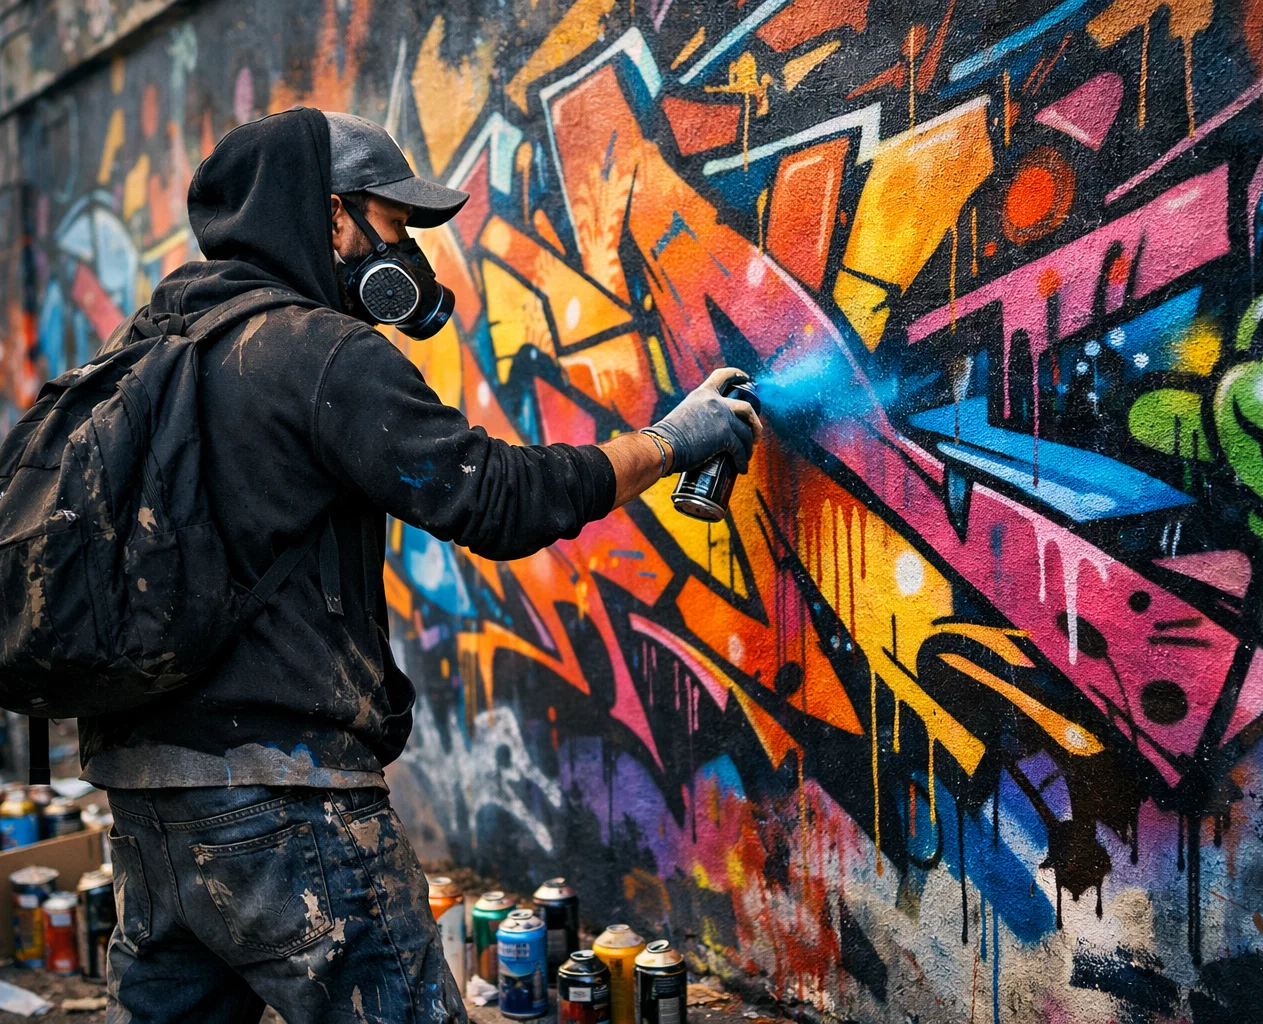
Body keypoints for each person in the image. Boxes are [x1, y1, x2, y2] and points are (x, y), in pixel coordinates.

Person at [89, 107, 761, 1023]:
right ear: (331, 219)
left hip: (146, 795)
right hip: (283, 802)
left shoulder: (153, 348)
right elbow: (498, 498)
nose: (406, 258)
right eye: (394, 228)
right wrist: (669, 442)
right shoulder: (316, 351)